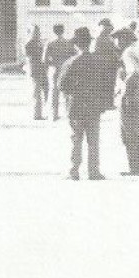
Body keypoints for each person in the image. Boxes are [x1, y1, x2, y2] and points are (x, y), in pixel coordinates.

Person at [58, 26, 113, 180]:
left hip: (76, 105)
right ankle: (94, 171)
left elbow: (61, 85)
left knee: (76, 139)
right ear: (89, 43)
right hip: (94, 105)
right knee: (93, 140)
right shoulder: (99, 61)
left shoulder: (71, 62)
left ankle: (74, 170)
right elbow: (107, 83)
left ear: (76, 44)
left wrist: (73, 90)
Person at [117, 42, 139, 175]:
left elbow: (133, 74)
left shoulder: (127, 53)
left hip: (130, 100)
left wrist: (124, 91)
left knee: (129, 134)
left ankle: (134, 168)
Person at [43, 23, 75, 120]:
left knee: (54, 92)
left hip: (55, 69)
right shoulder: (68, 43)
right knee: (66, 92)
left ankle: (54, 114)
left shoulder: (50, 43)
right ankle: (68, 113)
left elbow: (44, 60)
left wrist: (48, 66)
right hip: (66, 70)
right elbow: (74, 55)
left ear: (54, 31)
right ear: (63, 31)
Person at [23, 25, 48, 120]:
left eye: (38, 31)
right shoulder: (29, 44)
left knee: (44, 92)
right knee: (36, 94)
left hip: (42, 70)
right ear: (31, 33)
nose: (38, 34)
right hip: (35, 71)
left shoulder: (40, 43)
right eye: (35, 32)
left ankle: (42, 112)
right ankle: (37, 114)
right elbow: (30, 59)